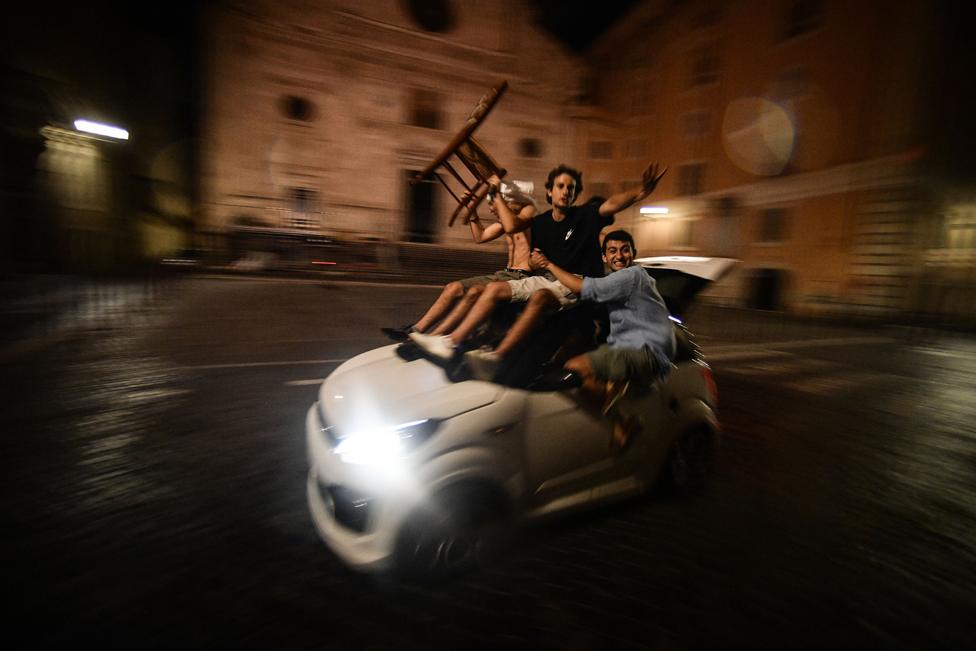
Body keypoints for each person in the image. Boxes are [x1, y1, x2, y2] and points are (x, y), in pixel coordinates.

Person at [410, 162, 666, 378]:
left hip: (576, 282)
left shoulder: (585, 215)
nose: (566, 191)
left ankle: (497, 357)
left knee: (541, 299)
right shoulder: (541, 223)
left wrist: (640, 191)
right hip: (547, 277)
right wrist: (495, 194)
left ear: (575, 195)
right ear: (550, 192)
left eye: (571, 188)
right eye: (561, 186)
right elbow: (516, 235)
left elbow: (612, 204)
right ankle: (451, 341)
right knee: (493, 289)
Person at [531, 229, 675, 450]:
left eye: (624, 250)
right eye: (612, 251)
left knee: (574, 367)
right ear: (604, 257)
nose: (619, 255)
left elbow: (583, 287)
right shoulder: (623, 281)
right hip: (644, 351)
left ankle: (622, 420)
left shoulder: (632, 276)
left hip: (646, 351)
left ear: (633, 253)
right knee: (572, 346)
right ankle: (615, 386)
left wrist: (548, 264)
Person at [382, 180, 536, 339]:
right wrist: (472, 211)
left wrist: (496, 193)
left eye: (493, 204)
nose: (491, 210)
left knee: (474, 293)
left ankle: (435, 337)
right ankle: (415, 330)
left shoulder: (528, 211)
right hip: (505, 273)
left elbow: (513, 226)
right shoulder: (506, 219)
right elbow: (480, 236)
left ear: (509, 200)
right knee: (452, 288)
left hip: (521, 276)